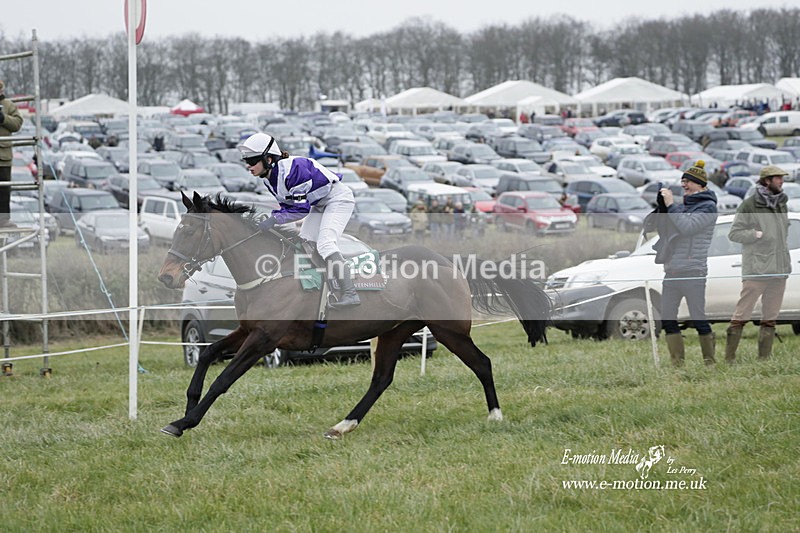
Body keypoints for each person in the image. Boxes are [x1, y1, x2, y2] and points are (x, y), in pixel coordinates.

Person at [238, 132, 359, 308]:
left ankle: (350, 293)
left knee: (325, 244)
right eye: (246, 161)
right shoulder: (268, 179)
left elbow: (301, 210)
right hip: (319, 204)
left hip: (338, 199)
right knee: (305, 243)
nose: (248, 166)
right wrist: (271, 219)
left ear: (269, 159)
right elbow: (288, 209)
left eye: (252, 160)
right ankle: (325, 287)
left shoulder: (293, 169)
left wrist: (273, 220)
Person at [646, 160, 718, 366]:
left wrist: (671, 204)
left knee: (698, 319)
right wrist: (662, 207)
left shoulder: (708, 207)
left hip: (693, 270)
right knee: (668, 319)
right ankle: (677, 364)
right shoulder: (685, 205)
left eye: (688, 182)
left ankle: (709, 363)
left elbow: (687, 226)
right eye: (682, 181)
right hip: (672, 270)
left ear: (701, 185)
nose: (684, 185)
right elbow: (670, 227)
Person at [725, 165, 791, 362]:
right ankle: (729, 360)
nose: (781, 181)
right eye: (777, 178)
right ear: (766, 181)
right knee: (741, 315)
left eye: (781, 177)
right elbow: (734, 233)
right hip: (756, 270)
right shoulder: (749, 205)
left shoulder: (782, 203)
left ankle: (764, 360)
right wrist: (754, 234)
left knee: (770, 318)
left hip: (779, 270)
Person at [0, 80, 24, 228]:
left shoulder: (9, 105)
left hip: (3, 156)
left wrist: (3, 119)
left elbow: (17, 124)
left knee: (3, 190)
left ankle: (3, 220)